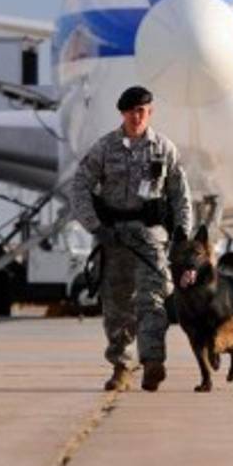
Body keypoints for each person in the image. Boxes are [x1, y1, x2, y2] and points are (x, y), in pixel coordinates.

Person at [72, 85, 192, 392]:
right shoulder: (104, 148)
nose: (136, 117)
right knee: (117, 306)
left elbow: (180, 195)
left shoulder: (164, 150)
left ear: (149, 113)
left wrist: (182, 236)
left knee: (152, 301)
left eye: (141, 111)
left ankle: (153, 362)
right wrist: (95, 226)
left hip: (150, 238)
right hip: (114, 239)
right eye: (130, 112)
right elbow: (81, 186)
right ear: (123, 114)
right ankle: (122, 367)